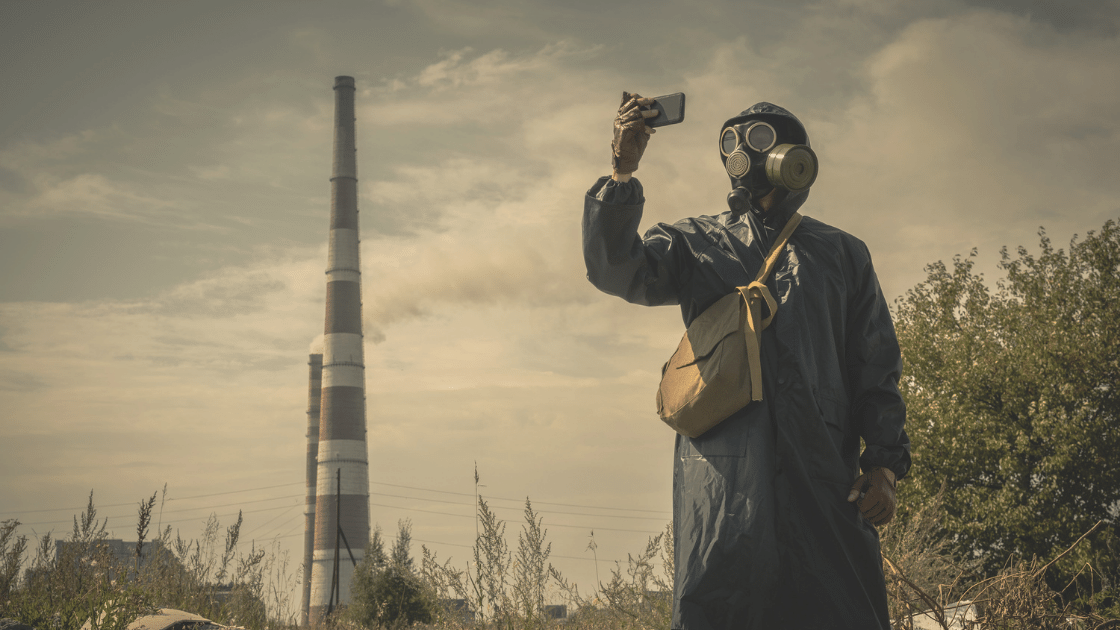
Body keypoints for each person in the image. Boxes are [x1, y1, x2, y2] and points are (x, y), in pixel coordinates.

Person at [582, 93, 911, 629]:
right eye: (730, 141)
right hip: (724, 485)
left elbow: (875, 366)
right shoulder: (695, 243)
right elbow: (616, 270)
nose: (740, 152)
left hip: (823, 480)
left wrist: (883, 467)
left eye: (757, 139)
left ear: (794, 158)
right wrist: (621, 170)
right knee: (722, 608)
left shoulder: (842, 254)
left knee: (839, 610)